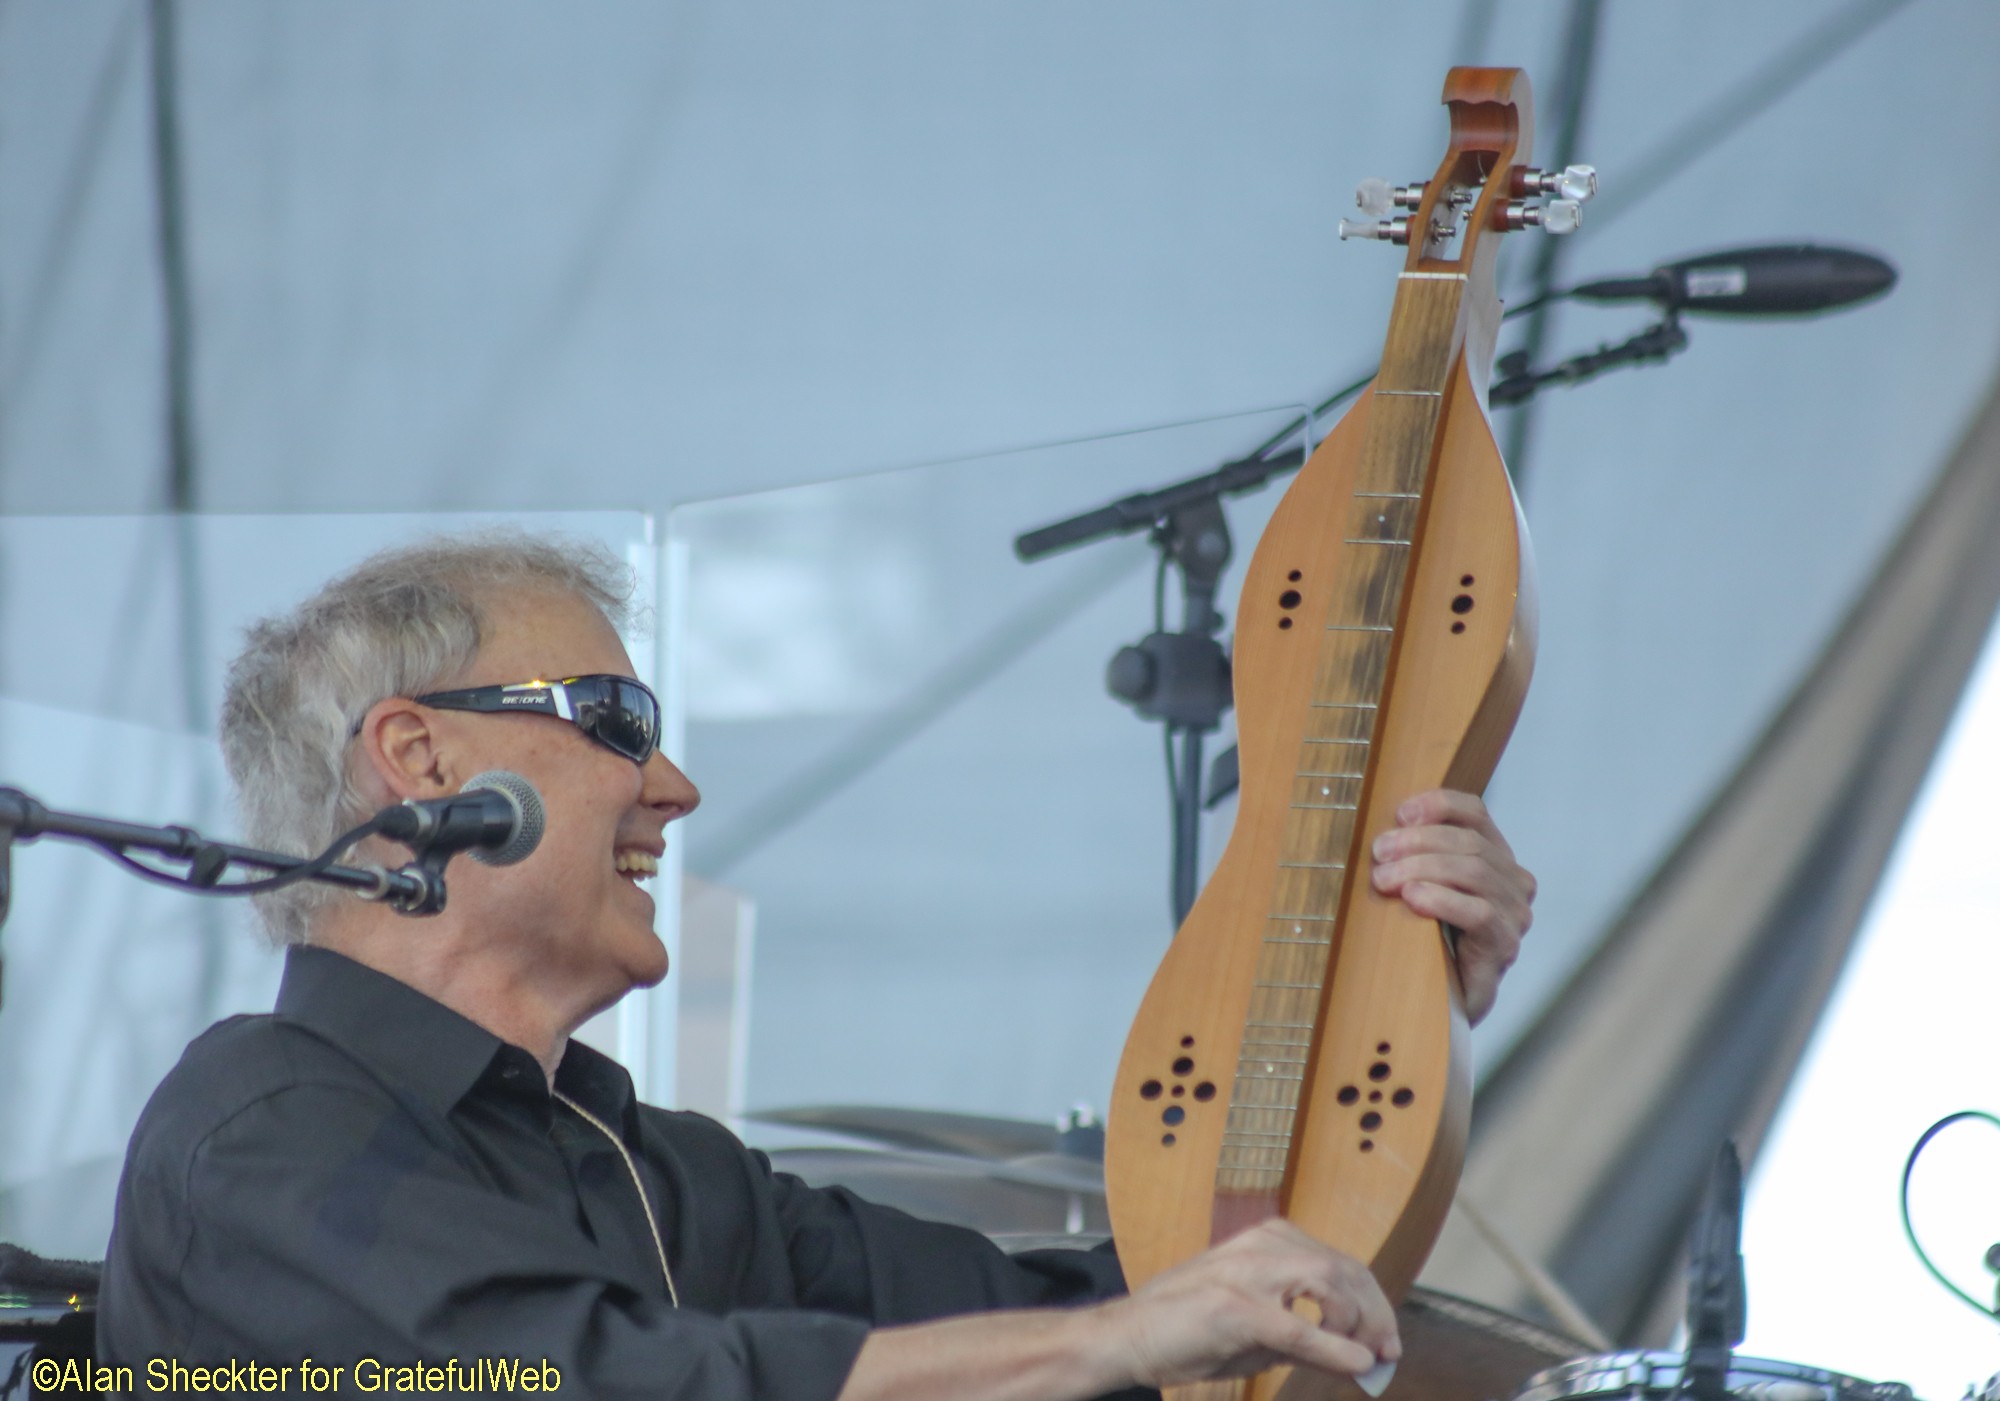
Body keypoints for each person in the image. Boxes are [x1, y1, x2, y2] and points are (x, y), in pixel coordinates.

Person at [98, 532, 1536, 1400]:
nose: (673, 784)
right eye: (614, 717)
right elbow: (596, 1388)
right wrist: (1127, 1338)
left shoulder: (671, 1175)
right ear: (416, 759)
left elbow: (1129, 1317)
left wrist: (1399, 1003)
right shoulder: (262, 1130)